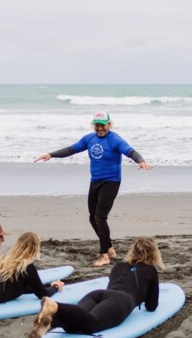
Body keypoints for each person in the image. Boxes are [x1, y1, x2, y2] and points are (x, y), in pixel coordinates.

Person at [35, 111, 152, 266]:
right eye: (97, 125)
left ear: (109, 124)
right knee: (92, 217)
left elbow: (130, 151)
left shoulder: (114, 139)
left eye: (102, 125)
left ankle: (104, 255)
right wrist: (51, 154)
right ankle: (109, 248)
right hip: (95, 181)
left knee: (100, 217)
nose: (99, 128)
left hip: (111, 182)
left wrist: (141, 161)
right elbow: (71, 149)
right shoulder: (89, 138)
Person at [26, 236, 162, 338]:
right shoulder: (150, 270)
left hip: (98, 294)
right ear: (154, 253)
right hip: (121, 300)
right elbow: (151, 306)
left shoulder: (118, 266)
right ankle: (56, 306)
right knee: (92, 325)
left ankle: (51, 322)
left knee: (74, 325)